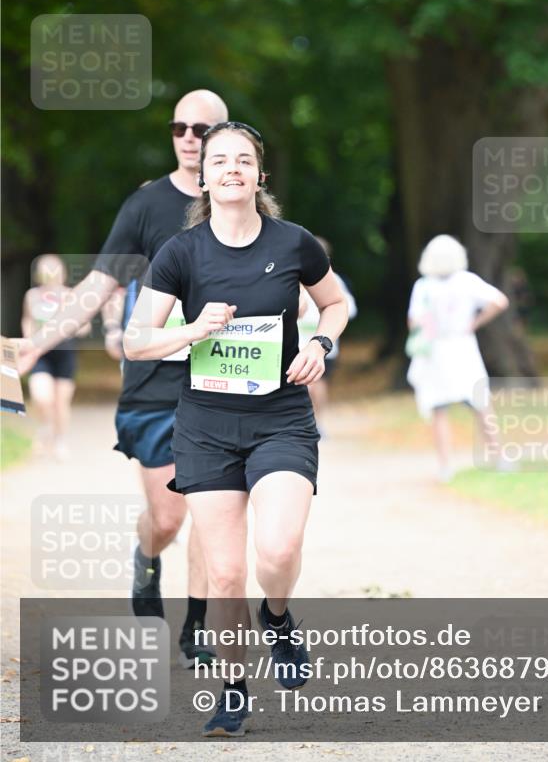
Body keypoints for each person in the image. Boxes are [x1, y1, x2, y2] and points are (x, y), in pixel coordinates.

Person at [123, 122, 348, 737]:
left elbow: (335, 302)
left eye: (242, 159)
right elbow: (136, 342)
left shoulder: (295, 243)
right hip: (205, 427)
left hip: (281, 419)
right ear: (203, 176)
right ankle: (232, 687)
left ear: (258, 174)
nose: (230, 168)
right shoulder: (180, 252)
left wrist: (322, 342)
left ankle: (277, 617)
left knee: (276, 550)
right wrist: (194, 330)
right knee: (224, 575)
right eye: (218, 160)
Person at [17, 89, 228, 667]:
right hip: (153, 381)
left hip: (219, 382)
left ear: (225, 136)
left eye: (201, 128)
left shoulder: (240, 205)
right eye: (178, 127)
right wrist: (37, 342)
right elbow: (96, 288)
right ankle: (147, 555)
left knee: (210, 509)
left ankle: (198, 630)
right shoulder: (146, 206)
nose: (189, 137)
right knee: (169, 516)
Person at [406, 235, 509, 482]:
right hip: (462, 346)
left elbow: (413, 321)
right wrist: (474, 323)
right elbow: (499, 301)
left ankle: (445, 465)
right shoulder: (467, 282)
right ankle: (499, 456)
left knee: (438, 408)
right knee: (482, 404)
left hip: (437, 349)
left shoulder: (424, 286)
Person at [21, 254, 91, 461]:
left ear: (62, 273)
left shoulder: (71, 295)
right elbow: (27, 320)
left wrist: (70, 326)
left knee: (61, 402)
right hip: (40, 352)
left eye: (54, 270)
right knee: (42, 396)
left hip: (65, 353)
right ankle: (44, 427)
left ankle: (59, 440)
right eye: (45, 270)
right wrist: (28, 340)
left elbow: (85, 327)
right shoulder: (32, 296)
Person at [297, 237, 357, 432]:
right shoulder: (294, 278)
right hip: (300, 343)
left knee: (316, 384)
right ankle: (311, 423)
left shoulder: (333, 281)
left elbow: (348, 308)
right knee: (313, 384)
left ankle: (316, 422)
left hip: (323, 343)